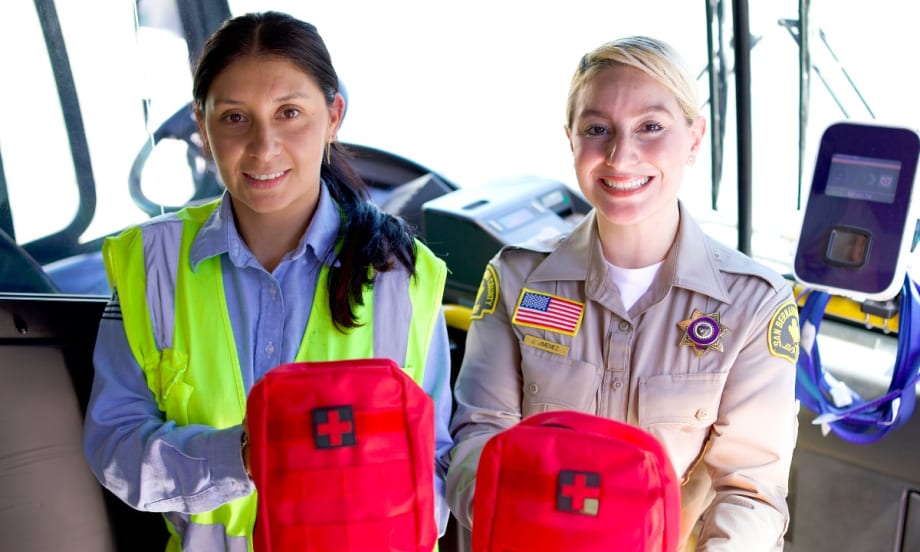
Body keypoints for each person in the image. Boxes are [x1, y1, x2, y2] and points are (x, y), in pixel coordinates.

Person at [83, 11, 452, 551]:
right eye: (234, 118)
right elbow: (115, 445)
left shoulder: (404, 276)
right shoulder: (152, 265)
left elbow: (437, 463)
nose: (263, 147)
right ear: (201, 127)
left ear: (333, 117)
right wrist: (240, 457)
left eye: (290, 113)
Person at [446, 36, 799, 551]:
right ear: (571, 140)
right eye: (597, 130)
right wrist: (535, 528)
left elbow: (750, 493)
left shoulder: (754, 306)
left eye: (651, 127)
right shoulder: (518, 279)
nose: (621, 154)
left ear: (695, 138)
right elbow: (477, 440)